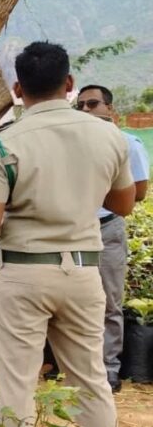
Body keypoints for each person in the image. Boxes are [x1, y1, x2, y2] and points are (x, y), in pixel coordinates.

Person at [0, 41, 135, 427]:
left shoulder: (4, 142)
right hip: (82, 272)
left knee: (17, 386)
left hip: (23, 273)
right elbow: (123, 204)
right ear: (69, 83)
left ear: (17, 89)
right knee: (91, 381)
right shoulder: (109, 135)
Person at [75, 84, 149, 393]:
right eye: (80, 105)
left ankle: (108, 368)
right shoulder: (72, 145)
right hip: (74, 229)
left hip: (107, 228)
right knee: (73, 300)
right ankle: (74, 366)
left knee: (108, 301)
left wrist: (102, 195)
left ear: (110, 109)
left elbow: (139, 193)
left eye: (93, 104)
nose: (86, 110)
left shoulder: (128, 144)